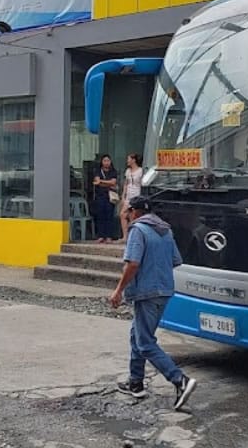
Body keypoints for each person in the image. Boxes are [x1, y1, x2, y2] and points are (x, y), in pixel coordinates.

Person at [109, 196, 196, 411]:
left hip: (146, 293)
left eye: (128, 212)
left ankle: (179, 380)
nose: (127, 216)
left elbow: (133, 264)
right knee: (136, 335)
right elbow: (176, 260)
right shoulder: (165, 230)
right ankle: (135, 382)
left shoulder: (138, 230)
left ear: (135, 212)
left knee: (145, 342)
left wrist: (119, 290)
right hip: (163, 291)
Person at [91, 154, 119, 243]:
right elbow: (96, 181)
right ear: (102, 162)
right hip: (100, 196)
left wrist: (101, 182)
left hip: (110, 196)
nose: (106, 163)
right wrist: (107, 183)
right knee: (100, 215)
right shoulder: (98, 171)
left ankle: (109, 236)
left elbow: (113, 182)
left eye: (108, 161)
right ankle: (101, 235)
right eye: (105, 161)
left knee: (109, 216)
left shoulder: (113, 171)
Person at [119, 153, 144, 238]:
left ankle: (133, 235)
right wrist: (123, 196)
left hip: (136, 195)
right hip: (128, 195)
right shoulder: (128, 171)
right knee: (122, 214)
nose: (127, 161)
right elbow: (126, 184)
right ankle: (125, 236)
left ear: (134, 160)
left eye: (129, 159)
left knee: (133, 216)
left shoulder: (140, 171)